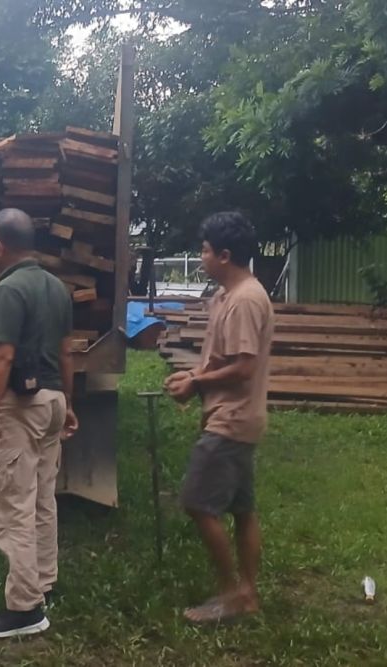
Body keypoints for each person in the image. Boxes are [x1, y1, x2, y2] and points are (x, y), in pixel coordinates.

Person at [0, 208, 78, 639]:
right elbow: (67, 353)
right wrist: (68, 402)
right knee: (42, 498)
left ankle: (25, 609)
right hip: (52, 401)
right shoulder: (56, 287)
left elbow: (2, 357)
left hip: (21, 407)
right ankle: (45, 580)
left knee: (12, 502)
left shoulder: (9, 290)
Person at [164, 211, 274, 625]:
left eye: (205, 251)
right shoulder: (227, 296)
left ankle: (233, 594)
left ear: (224, 255)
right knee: (243, 508)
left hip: (232, 419)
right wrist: (195, 375)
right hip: (236, 415)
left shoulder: (246, 299)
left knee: (197, 503)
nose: (202, 256)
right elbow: (224, 359)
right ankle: (247, 591)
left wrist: (196, 383)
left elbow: (244, 367)